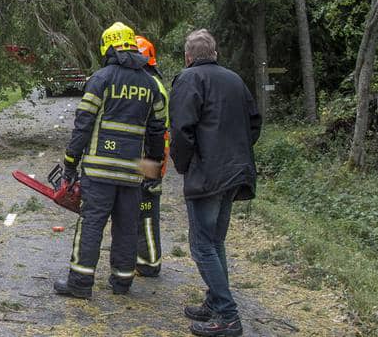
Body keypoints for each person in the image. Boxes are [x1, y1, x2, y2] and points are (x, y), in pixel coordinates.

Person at [53, 22, 168, 298]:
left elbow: (83, 123)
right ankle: (122, 282)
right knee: (127, 226)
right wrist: (152, 168)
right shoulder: (150, 83)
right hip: (132, 173)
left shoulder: (101, 78)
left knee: (91, 223)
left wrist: (70, 161)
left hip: (98, 171)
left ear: (108, 47)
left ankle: (80, 284)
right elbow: (157, 131)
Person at [169, 29, 262, 337]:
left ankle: (227, 314)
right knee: (215, 241)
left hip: (208, 174)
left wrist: (184, 165)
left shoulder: (189, 80)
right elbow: (254, 122)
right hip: (235, 172)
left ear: (188, 56)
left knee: (201, 245)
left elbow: (181, 130)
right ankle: (214, 301)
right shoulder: (235, 80)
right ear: (215, 54)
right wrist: (238, 152)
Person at [133, 34, 169, 277]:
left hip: (149, 159)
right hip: (150, 157)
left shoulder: (152, 86)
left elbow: (155, 131)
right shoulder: (153, 82)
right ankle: (142, 258)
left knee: (146, 210)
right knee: (141, 209)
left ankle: (149, 263)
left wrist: (151, 170)